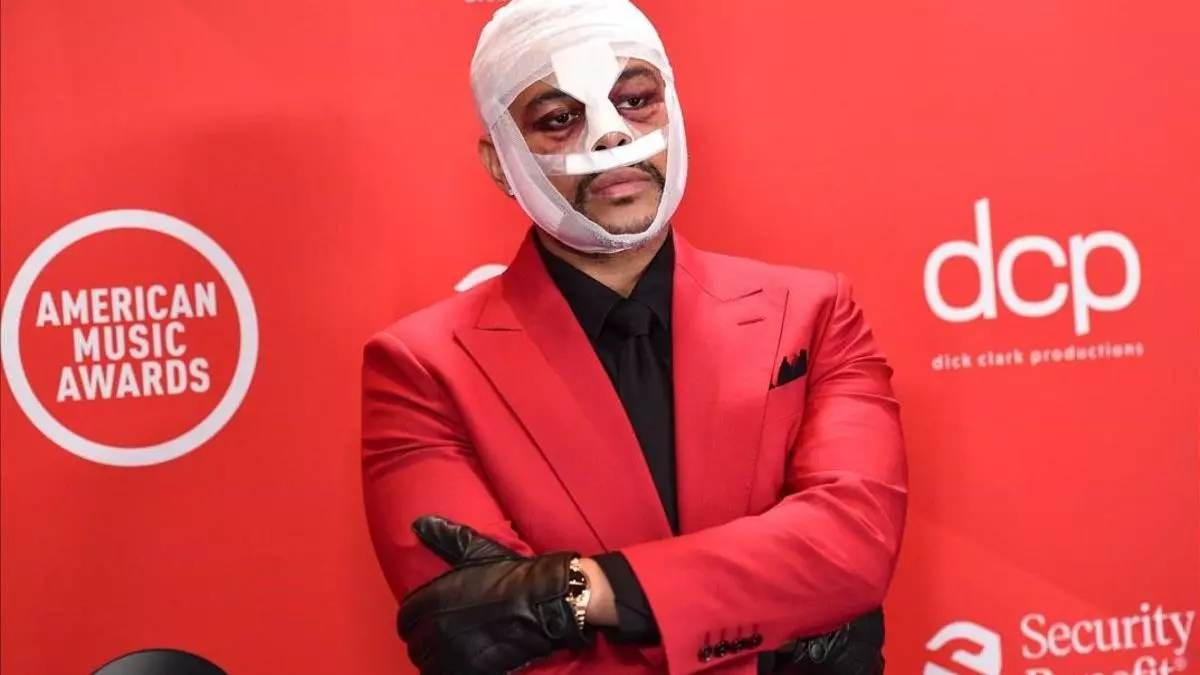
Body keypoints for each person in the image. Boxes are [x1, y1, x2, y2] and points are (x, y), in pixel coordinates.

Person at [360, 1, 908, 674]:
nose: (611, 135)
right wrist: (768, 626)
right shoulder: (420, 368)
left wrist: (574, 593)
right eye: (560, 118)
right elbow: (474, 636)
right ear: (500, 163)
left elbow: (851, 545)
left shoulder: (815, 312)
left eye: (636, 100)